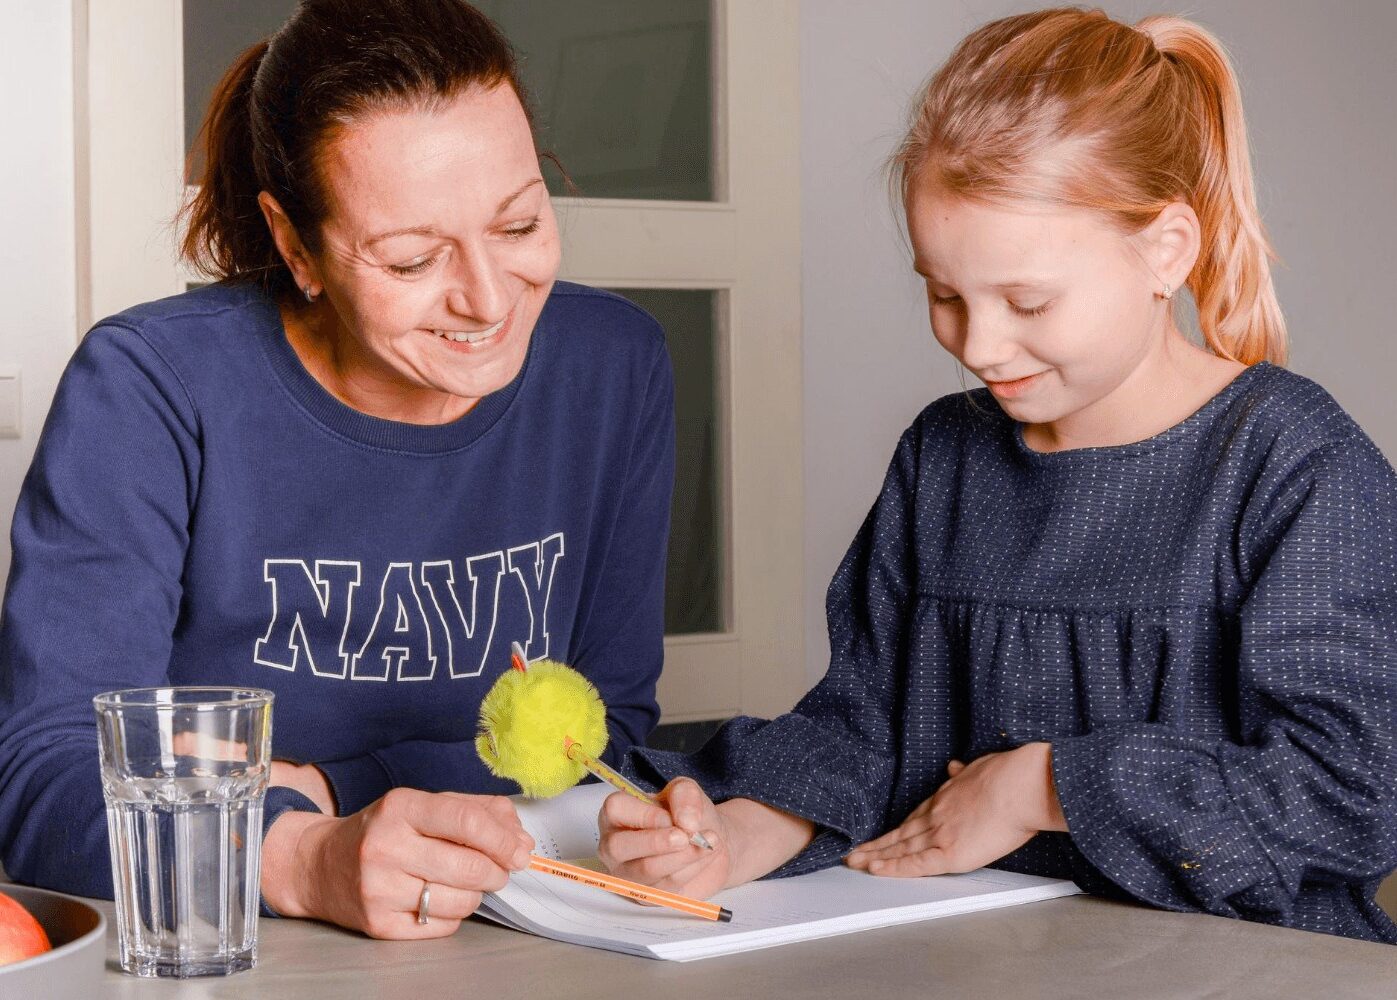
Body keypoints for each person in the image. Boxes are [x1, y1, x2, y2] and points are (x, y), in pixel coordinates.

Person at [598, 7, 1397, 943]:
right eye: (942, 294)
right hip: (981, 956)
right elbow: (867, 724)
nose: (977, 344)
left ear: (1165, 250)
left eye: (1026, 300)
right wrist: (739, 832)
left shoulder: (1298, 468)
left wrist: (1045, 784)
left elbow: (1350, 795)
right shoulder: (944, 454)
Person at [0, 0, 674, 940]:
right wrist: (305, 855)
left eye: (519, 226)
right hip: (229, 949)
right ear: (295, 247)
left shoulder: (614, 365)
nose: (486, 298)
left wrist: (330, 787)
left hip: (499, 931)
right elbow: (43, 784)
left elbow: (603, 740)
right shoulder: (151, 385)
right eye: (411, 258)